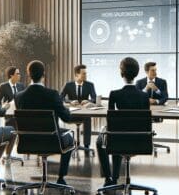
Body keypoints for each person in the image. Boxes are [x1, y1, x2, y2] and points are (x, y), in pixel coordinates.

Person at [15, 60, 75, 185]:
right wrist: (67, 110)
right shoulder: (52, 94)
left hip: (27, 141)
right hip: (52, 141)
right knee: (70, 136)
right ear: (44, 74)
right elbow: (66, 118)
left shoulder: (19, 96)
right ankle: (61, 177)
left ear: (28, 74)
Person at [97, 57, 150, 187]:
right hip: (139, 142)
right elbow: (146, 122)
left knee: (102, 139)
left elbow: (111, 123)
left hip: (118, 140)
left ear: (121, 74)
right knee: (116, 133)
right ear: (137, 73)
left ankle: (109, 178)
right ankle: (114, 177)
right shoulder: (144, 96)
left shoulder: (114, 94)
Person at [59, 64, 97, 152]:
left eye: (86, 73)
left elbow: (94, 98)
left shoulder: (90, 85)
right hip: (71, 114)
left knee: (88, 118)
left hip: (84, 114)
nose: (86, 75)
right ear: (76, 75)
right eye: (83, 74)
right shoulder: (68, 85)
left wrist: (89, 101)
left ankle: (86, 146)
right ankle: (66, 143)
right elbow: (60, 97)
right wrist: (69, 102)